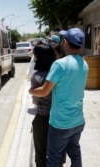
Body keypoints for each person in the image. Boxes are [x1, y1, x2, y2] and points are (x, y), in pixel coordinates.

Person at [29, 28, 88, 166]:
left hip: (61, 122)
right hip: (78, 119)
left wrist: (31, 91)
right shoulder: (84, 63)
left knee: (54, 158)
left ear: (65, 42)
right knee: (75, 152)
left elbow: (44, 91)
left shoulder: (59, 65)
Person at [30, 35, 66, 167]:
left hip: (43, 117)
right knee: (58, 150)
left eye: (35, 55)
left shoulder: (37, 76)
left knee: (40, 150)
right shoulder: (59, 72)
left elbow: (35, 101)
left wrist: (32, 91)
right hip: (59, 117)